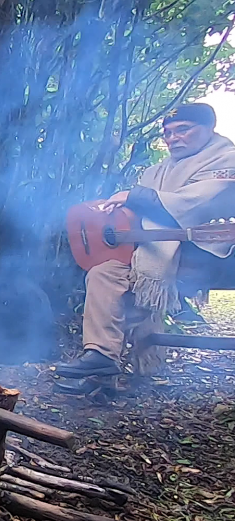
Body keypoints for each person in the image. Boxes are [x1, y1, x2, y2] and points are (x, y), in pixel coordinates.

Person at [54, 103, 235, 393]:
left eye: (183, 130)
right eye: (168, 133)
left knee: (126, 280)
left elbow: (197, 204)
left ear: (209, 128)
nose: (173, 138)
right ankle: (101, 362)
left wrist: (135, 196)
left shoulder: (226, 161)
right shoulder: (158, 171)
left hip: (205, 255)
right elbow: (136, 214)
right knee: (105, 273)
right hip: (154, 251)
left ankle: (106, 370)